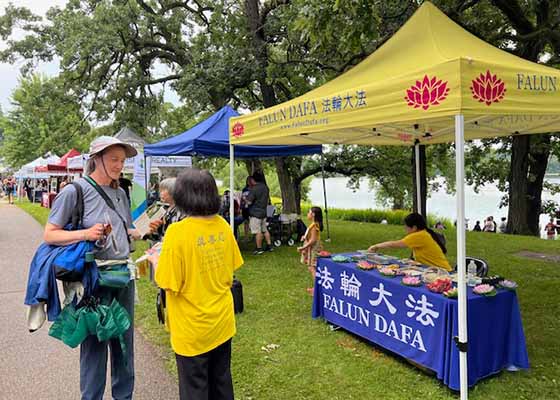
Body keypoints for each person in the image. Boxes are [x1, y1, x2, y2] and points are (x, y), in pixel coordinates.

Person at [43, 136, 140, 400]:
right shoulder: (75, 191)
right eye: (113, 159)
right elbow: (50, 234)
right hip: (92, 280)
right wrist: (86, 233)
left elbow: (123, 229)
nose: (119, 165)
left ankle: (124, 396)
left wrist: (136, 232)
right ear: (96, 159)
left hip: (123, 277)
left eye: (122, 160)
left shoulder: (121, 192)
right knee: (95, 346)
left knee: (123, 343)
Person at [155, 168, 243, 400]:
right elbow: (232, 265)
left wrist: (156, 260)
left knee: (195, 389)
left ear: (182, 196)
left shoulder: (177, 232)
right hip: (222, 322)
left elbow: (167, 282)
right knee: (221, 384)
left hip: (192, 328)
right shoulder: (223, 225)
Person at [368, 212, 451, 271]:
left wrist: (375, 246)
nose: (405, 228)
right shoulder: (424, 233)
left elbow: (394, 244)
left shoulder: (419, 235)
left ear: (414, 227)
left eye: (406, 226)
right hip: (434, 269)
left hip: (443, 272)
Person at [145, 177, 184, 241]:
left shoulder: (180, 212)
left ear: (173, 191)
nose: (160, 193)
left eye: (163, 190)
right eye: (160, 190)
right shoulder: (164, 209)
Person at [297, 207, 323, 295]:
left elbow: (313, 240)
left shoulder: (314, 225)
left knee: (312, 267)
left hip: (313, 249)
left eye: (309, 212)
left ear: (313, 214)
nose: (307, 214)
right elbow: (311, 237)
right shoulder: (313, 224)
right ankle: (316, 288)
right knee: (311, 267)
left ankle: (317, 290)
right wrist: (305, 237)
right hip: (312, 248)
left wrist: (303, 248)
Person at [246, 170, 273, 254]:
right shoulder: (265, 187)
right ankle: (269, 246)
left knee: (258, 232)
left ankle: (259, 248)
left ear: (253, 179)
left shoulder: (254, 189)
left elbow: (249, 202)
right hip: (264, 212)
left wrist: (245, 200)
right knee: (265, 229)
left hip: (255, 213)